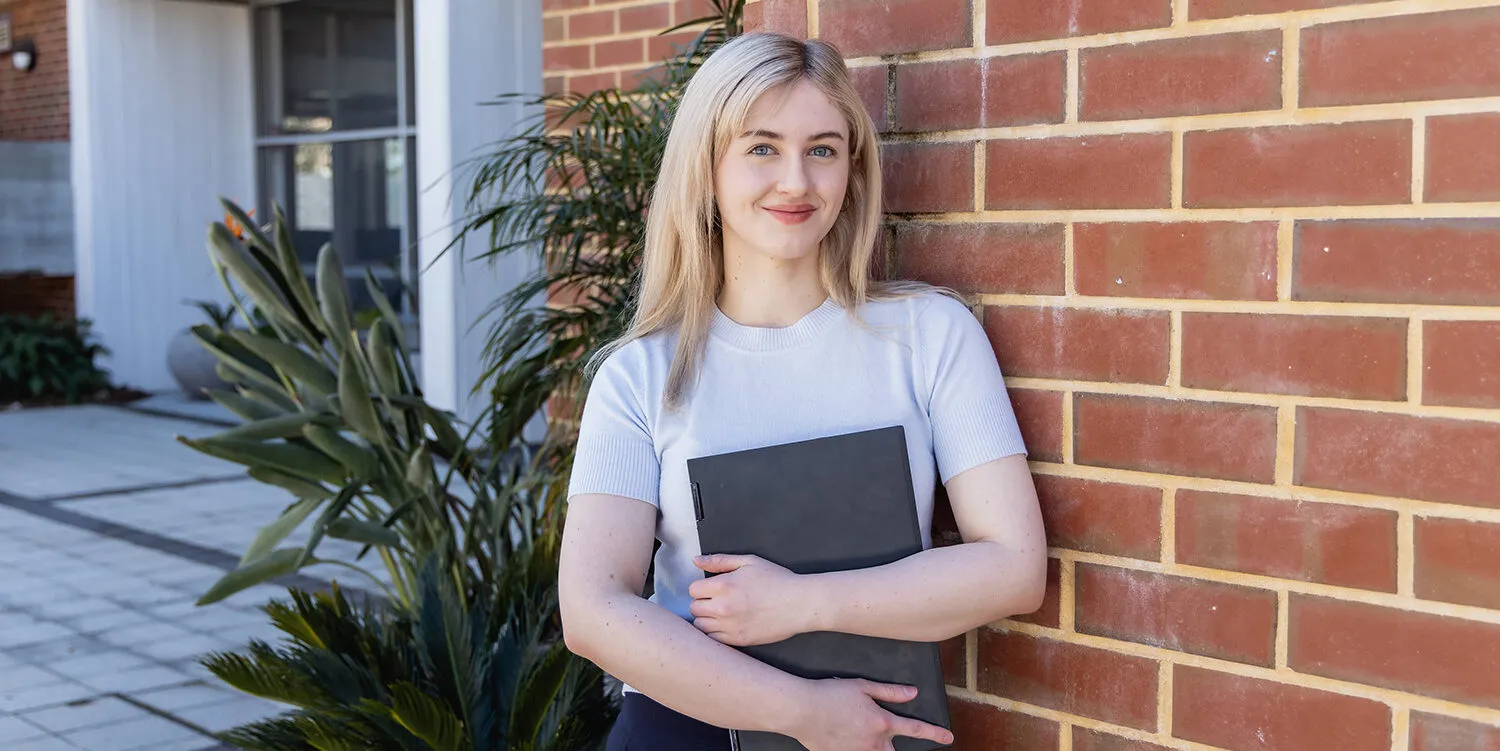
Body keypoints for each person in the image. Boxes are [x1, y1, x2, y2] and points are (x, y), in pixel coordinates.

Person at [558, 30, 1048, 751]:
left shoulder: (930, 336)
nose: (796, 181)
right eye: (762, 147)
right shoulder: (638, 377)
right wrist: (801, 710)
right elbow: (592, 609)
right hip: (688, 730)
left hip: (875, 724)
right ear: (707, 168)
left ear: (851, 168)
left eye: (821, 149)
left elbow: (1014, 568)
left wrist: (801, 602)